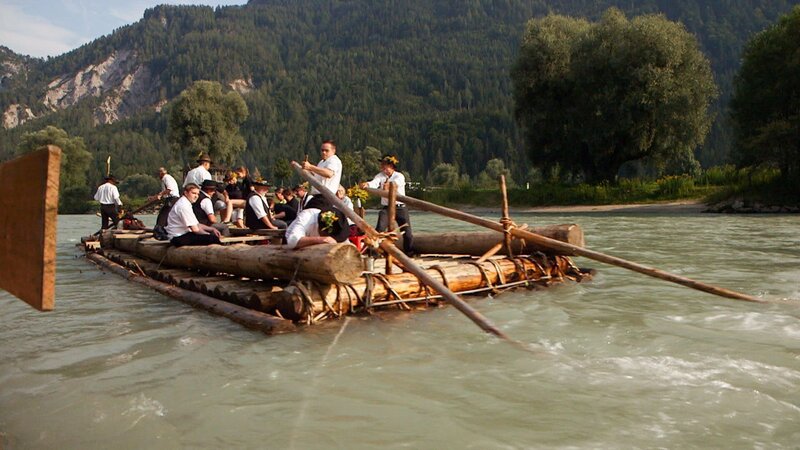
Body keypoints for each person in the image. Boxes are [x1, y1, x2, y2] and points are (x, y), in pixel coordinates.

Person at [360, 154, 414, 255]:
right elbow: (374, 182)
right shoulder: (380, 176)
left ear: (392, 166)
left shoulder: (399, 176)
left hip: (400, 207)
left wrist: (387, 186)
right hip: (387, 208)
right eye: (382, 165)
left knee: (407, 232)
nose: (383, 167)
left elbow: (395, 184)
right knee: (379, 229)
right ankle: (375, 252)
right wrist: (367, 184)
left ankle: (409, 252)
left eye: (385, 165)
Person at [296, 140, 342, 206]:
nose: (324, 152)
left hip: (326, 196)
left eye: (326, 150)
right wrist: (306, 169)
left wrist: (310, 167)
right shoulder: (321, 162)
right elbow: (317, 175)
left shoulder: (333, 160)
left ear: (333, 151)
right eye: (322, 150)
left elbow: (329, 174)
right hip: (318, 196)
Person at [285, 206, 350, 250]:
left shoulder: (338, 226)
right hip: (293, 250)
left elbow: (345, 243)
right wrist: (321, 240)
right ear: (321, 229)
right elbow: (292, 241)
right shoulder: (306, 217)